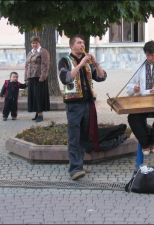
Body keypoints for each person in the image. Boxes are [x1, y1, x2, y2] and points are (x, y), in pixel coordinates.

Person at [58, 34, 107, 180]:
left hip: (88, 103)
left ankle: (78, 164)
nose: (82, 44)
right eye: (79, 42)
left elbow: (102, 77)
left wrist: (95, 63)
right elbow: (65, 78)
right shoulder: (64, 61)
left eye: (83, 42)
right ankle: (75, 170)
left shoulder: (88, 61)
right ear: (72, 46)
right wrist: (80, 64)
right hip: (74, 104)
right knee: (74, 136)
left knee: (85, 136)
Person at [24, 36, 50, 122]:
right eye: (33, 43)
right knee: (33, 96)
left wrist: (43, 76)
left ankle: (40, 114)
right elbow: (27, 66)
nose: (34, 44)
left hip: (39, 77)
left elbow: (45, 64)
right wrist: (26, 78)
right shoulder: (30, 53)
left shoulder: (43, 51)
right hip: (31, 77)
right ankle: (36, 112)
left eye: (36, 43)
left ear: (39, 43)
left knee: (39, 96)